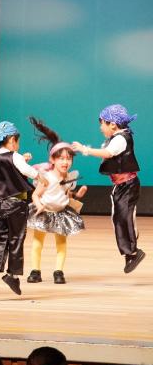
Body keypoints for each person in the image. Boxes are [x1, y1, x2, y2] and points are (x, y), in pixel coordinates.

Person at [72, 104, 146, 273]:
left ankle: (133, 251)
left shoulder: (121, 139)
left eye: (102, 124)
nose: (100, 128)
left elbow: (108, 153)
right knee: (118, 218)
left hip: (128, 185)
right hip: (121, 185)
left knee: (124, 216)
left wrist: (85, 149)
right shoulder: (115, 138)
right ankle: (130, 252)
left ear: (112, 124)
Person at [0, 122, 46, 295]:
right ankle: (12, 275)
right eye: (17, 142)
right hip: (16, 204)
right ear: (12, 140)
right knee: (16, 239)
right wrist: (41, 177)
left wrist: (21, 158)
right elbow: (26, 171)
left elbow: (9, 169)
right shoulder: (15, 156)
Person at [26, 117, 87, 285]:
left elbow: (67, 195)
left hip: (60, 213)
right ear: (52, 160)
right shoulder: (46, 177)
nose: (65, 162)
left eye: (68, 159)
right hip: (44, 212)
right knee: (38, 242)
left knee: (61, 243)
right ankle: (35, 271)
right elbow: (35, 195)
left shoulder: (70, 178)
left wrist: (77, 194)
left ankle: (58, 272)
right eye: (61, 158)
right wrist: (39, 206)